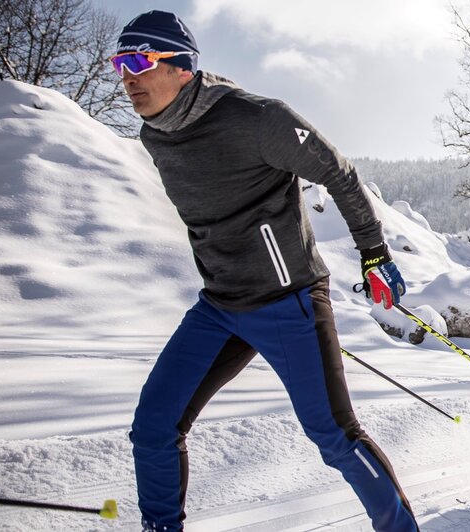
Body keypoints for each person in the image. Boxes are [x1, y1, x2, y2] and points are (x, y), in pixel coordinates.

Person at [110, 11, 417, 531]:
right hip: (220, 305)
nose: (127, 77)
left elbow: (339, 172)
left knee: (334, 434)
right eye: (119, 63)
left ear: (181, 67)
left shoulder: (257, 119)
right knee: (154, 426)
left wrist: (374, 254)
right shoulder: (154, 134)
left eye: (140, 60)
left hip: (288, 301)